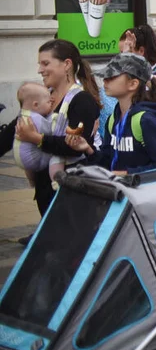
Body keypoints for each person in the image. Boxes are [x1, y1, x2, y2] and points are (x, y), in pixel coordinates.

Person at [15, 40, 102, 217]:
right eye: (39, 64)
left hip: (71, 187)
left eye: (45, 63)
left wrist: (36, 138)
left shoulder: (82, 100)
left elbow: (75, 145)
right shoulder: (41, 98)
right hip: (44, 188)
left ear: (67, 65)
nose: (40, 70)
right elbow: (16, 127)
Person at [64, 53, 156, 172]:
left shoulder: (146, 120)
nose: (105, 80)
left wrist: (127, 174)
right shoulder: (113, 119)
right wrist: (88, 149)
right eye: (105, 76)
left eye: (112, 76)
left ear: (133, 84)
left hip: (144, 190)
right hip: (121, 189)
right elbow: (108, 163)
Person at [11, 83, 53, 184]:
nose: (51, 104)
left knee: (29, 163)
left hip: (19, 156)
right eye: (48, 102)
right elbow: (50, 129)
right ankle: (54, 179)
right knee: (53, 155)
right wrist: (53, 116)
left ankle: (31, 180)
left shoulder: (22, 115)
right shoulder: (36, 119)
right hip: (33, 160)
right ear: (36, 105)